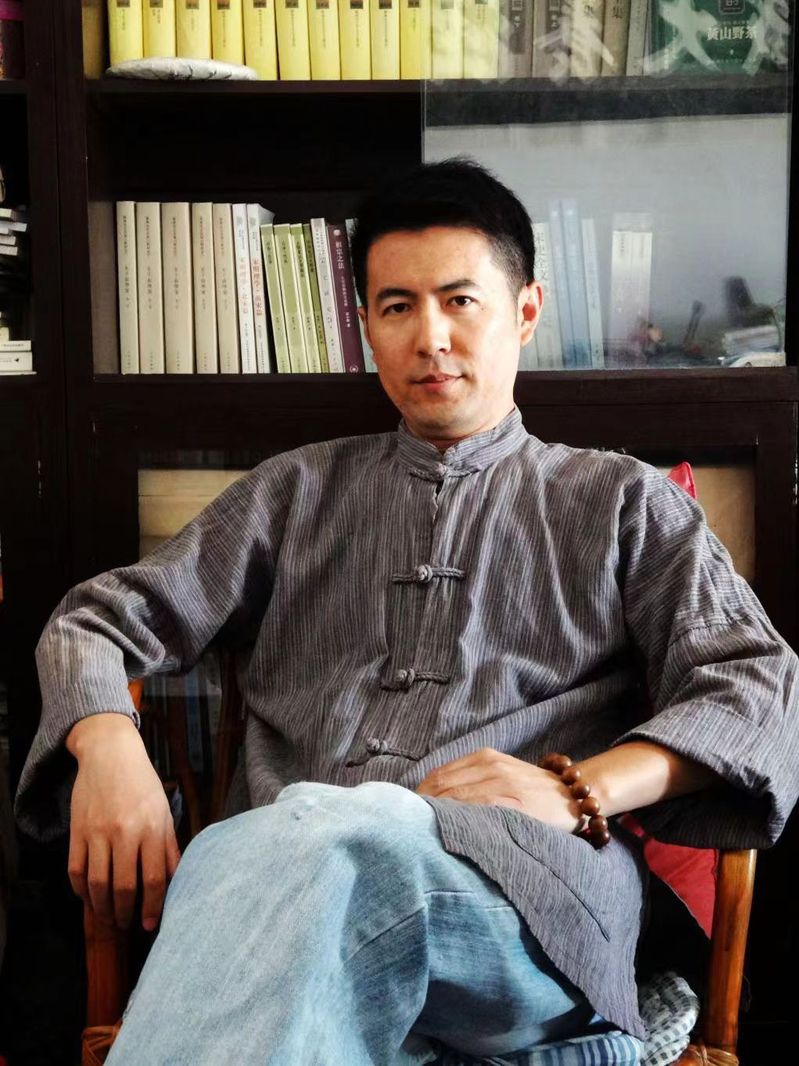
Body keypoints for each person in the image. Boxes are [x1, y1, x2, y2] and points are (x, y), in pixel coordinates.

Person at [14, 159, 799, 1064]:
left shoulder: (623, 502)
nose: (430, 337)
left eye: (460, 300)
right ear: (367, 328)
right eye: (396, 307)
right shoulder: (294, 492)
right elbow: (96, 620)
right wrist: (109, 745)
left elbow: (757, 689)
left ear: (525, 312)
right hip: (280, 884)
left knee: (316, 839)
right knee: (286, 848)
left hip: (524, 909)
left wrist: (575, 788)